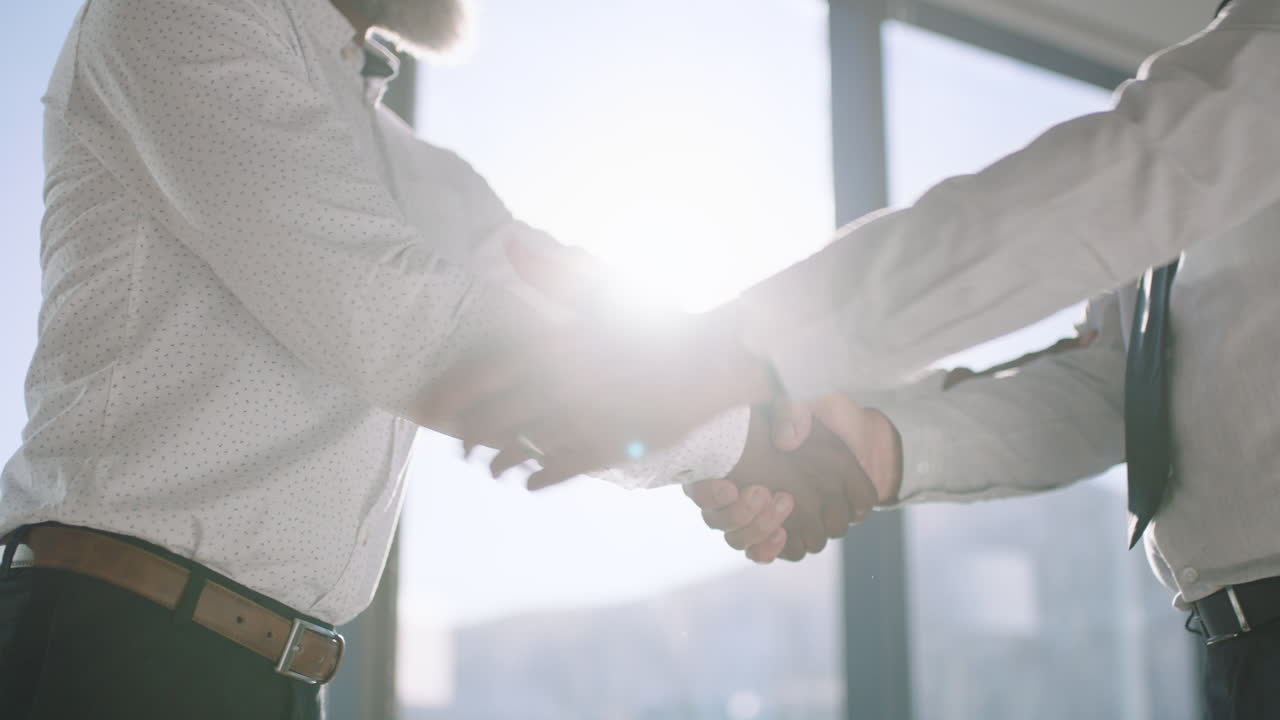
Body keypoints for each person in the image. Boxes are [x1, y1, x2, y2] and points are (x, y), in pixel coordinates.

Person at [0, 0, 882, 717]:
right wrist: (734, 437)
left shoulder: (421, 169)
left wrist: (767, 399)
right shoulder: (180, 17)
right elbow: (389, 313)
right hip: (114, 644)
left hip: (273, 677)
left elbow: (586, 309)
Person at [432, 0, 1280, 714]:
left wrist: (738, 352)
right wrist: (877, 448)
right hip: (1237, 647)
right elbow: (1114, 393)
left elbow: (1151, 166)